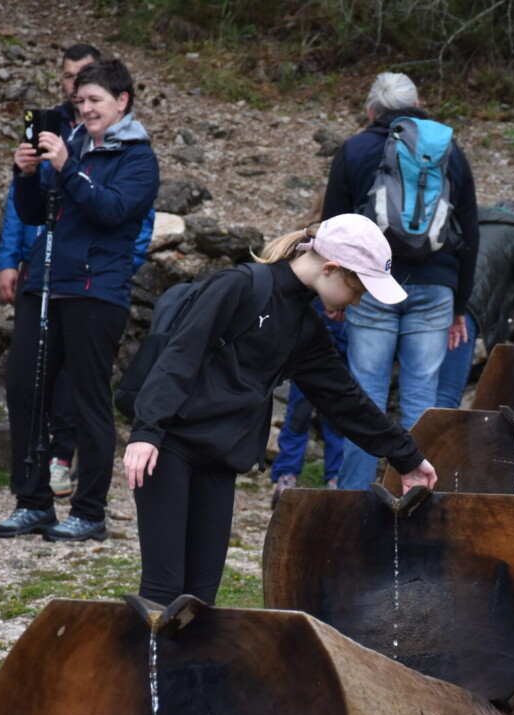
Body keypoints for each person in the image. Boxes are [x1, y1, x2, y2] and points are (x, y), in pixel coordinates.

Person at [124, 214, 439, 605]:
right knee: (162, 588)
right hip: (168, 448)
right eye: (359, 289)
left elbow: (346, 399)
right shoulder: (238, 286)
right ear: (331, 268)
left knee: (200, 596)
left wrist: (407, 457)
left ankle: (181, 668)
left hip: (219, 459)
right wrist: (146, 432)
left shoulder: (306, 329)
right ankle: (146, 666)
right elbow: (180, 356)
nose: (359, 301)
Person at [0, 57, 159, 542]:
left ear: (122, 102)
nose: (84, 109)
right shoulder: (73, 146)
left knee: (87, 401)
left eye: (95, 101)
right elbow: (33, 212)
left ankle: (89, 512)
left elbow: (111, 211)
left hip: (96, 291)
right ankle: (32, 503)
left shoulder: (138, 158)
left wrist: (69, 170)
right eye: (79, 101)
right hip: (43, 285)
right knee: (25, 390)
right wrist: (25, 174)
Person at [320, 71, 479, 490]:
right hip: (436, 288)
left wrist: (333, 294)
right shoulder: (448, 152)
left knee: (363, 399)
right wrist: (459, 306)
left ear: (372, 110)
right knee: (420, 403)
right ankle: (414, 504)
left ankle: (353, 499)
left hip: (369, 285)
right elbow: (470, 232)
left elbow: (332, 226)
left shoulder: (355, 150)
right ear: (417, 105)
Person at [436, 199, 514, 408]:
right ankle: (430, 441)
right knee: (447, 393)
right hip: (463, 313)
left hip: (431, 299)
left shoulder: (469, 222)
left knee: (419, 387)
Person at [270, 297, 348, 506]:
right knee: (299, 410)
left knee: (339, 411)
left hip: (347, 323)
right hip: (314, 311)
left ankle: (336, 477)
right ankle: (286, 475)